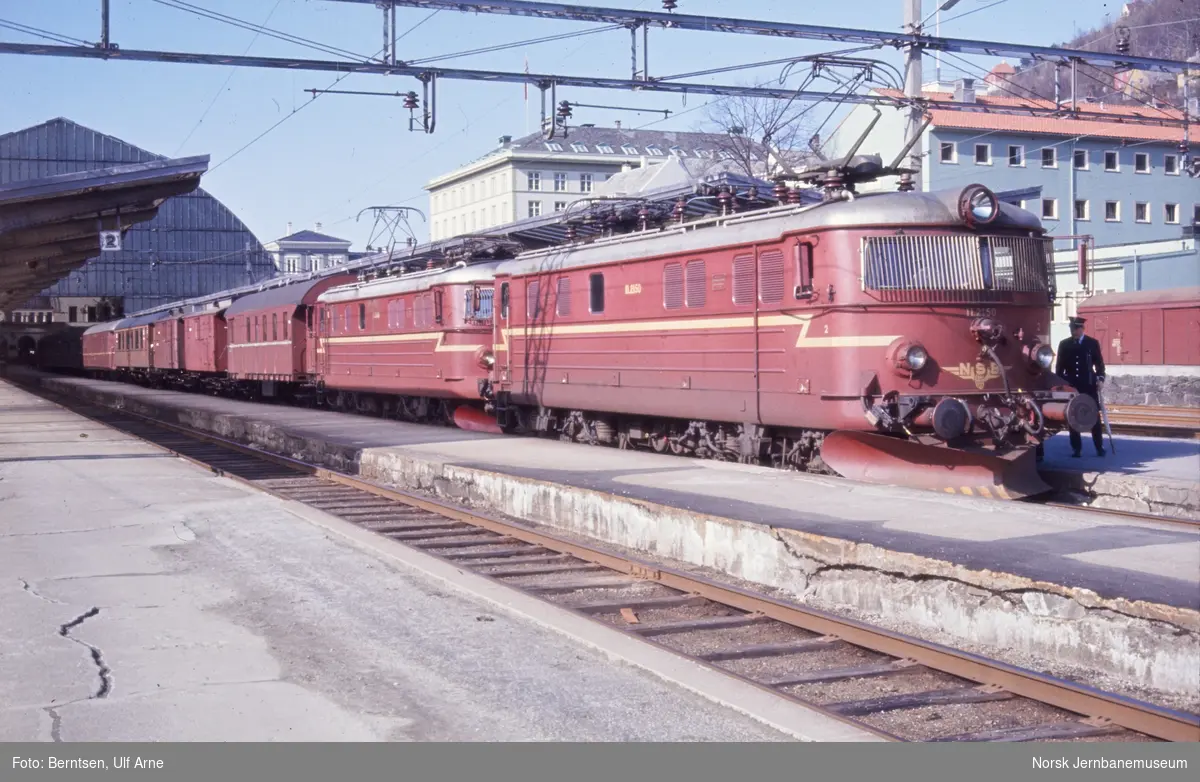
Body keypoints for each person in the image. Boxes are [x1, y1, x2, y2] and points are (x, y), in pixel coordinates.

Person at [1055, 316, 1107, 457]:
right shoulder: (1064, 344)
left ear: (1082, 329)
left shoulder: (1092, 343)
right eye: (1071, 329)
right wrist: (1060, 384)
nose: (1073, 331)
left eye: (1076, 329)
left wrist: (1100, 378)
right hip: (1072, 386)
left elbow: (1099, 365)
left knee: (1094, 416)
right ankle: (1076, 448)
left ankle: (1099, 446)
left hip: (1088, 385)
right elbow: (1059, 368)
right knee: (1073, 417)